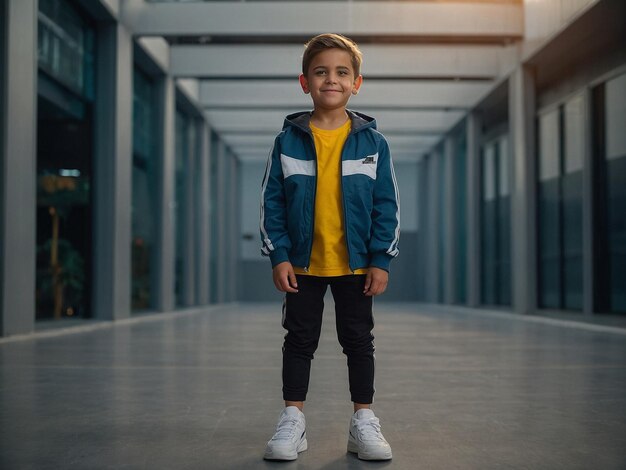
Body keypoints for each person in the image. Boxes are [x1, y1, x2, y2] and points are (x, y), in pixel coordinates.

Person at [259, 33, 400, 461]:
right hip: (303, 266)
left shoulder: (374, 144)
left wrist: (381, 259)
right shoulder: (287, 141)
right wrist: (279, 254)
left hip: (356, 267)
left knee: (358, 341)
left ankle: (363, 422)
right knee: (299, 341)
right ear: (305, 82)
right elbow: (271, 203)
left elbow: (387, 204)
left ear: (357, 83)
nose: (331, 80)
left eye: (342, 72)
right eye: (321, 72)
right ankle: (292, 421)